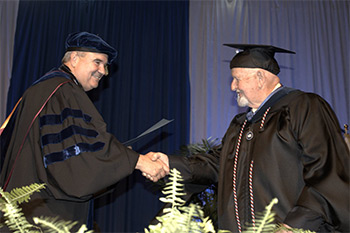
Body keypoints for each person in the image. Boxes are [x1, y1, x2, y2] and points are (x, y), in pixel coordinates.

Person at [150, 44, 350, 232]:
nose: (232, 86)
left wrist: (293, 226)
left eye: (237, 78)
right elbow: (217, 164)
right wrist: (169, 163)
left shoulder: (303, 107)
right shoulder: (241, 124)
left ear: (260, 77)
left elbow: (327, 172)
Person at [0, 32, 169, 230]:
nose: (103, 71)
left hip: (25, 208)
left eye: (105, 65)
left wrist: (122, 157)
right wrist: (138, 161)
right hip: (45, 217)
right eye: (97, 62)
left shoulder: (45, 89)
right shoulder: (63, 90)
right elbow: (73, 159)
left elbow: (72, 149)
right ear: (74, 58)